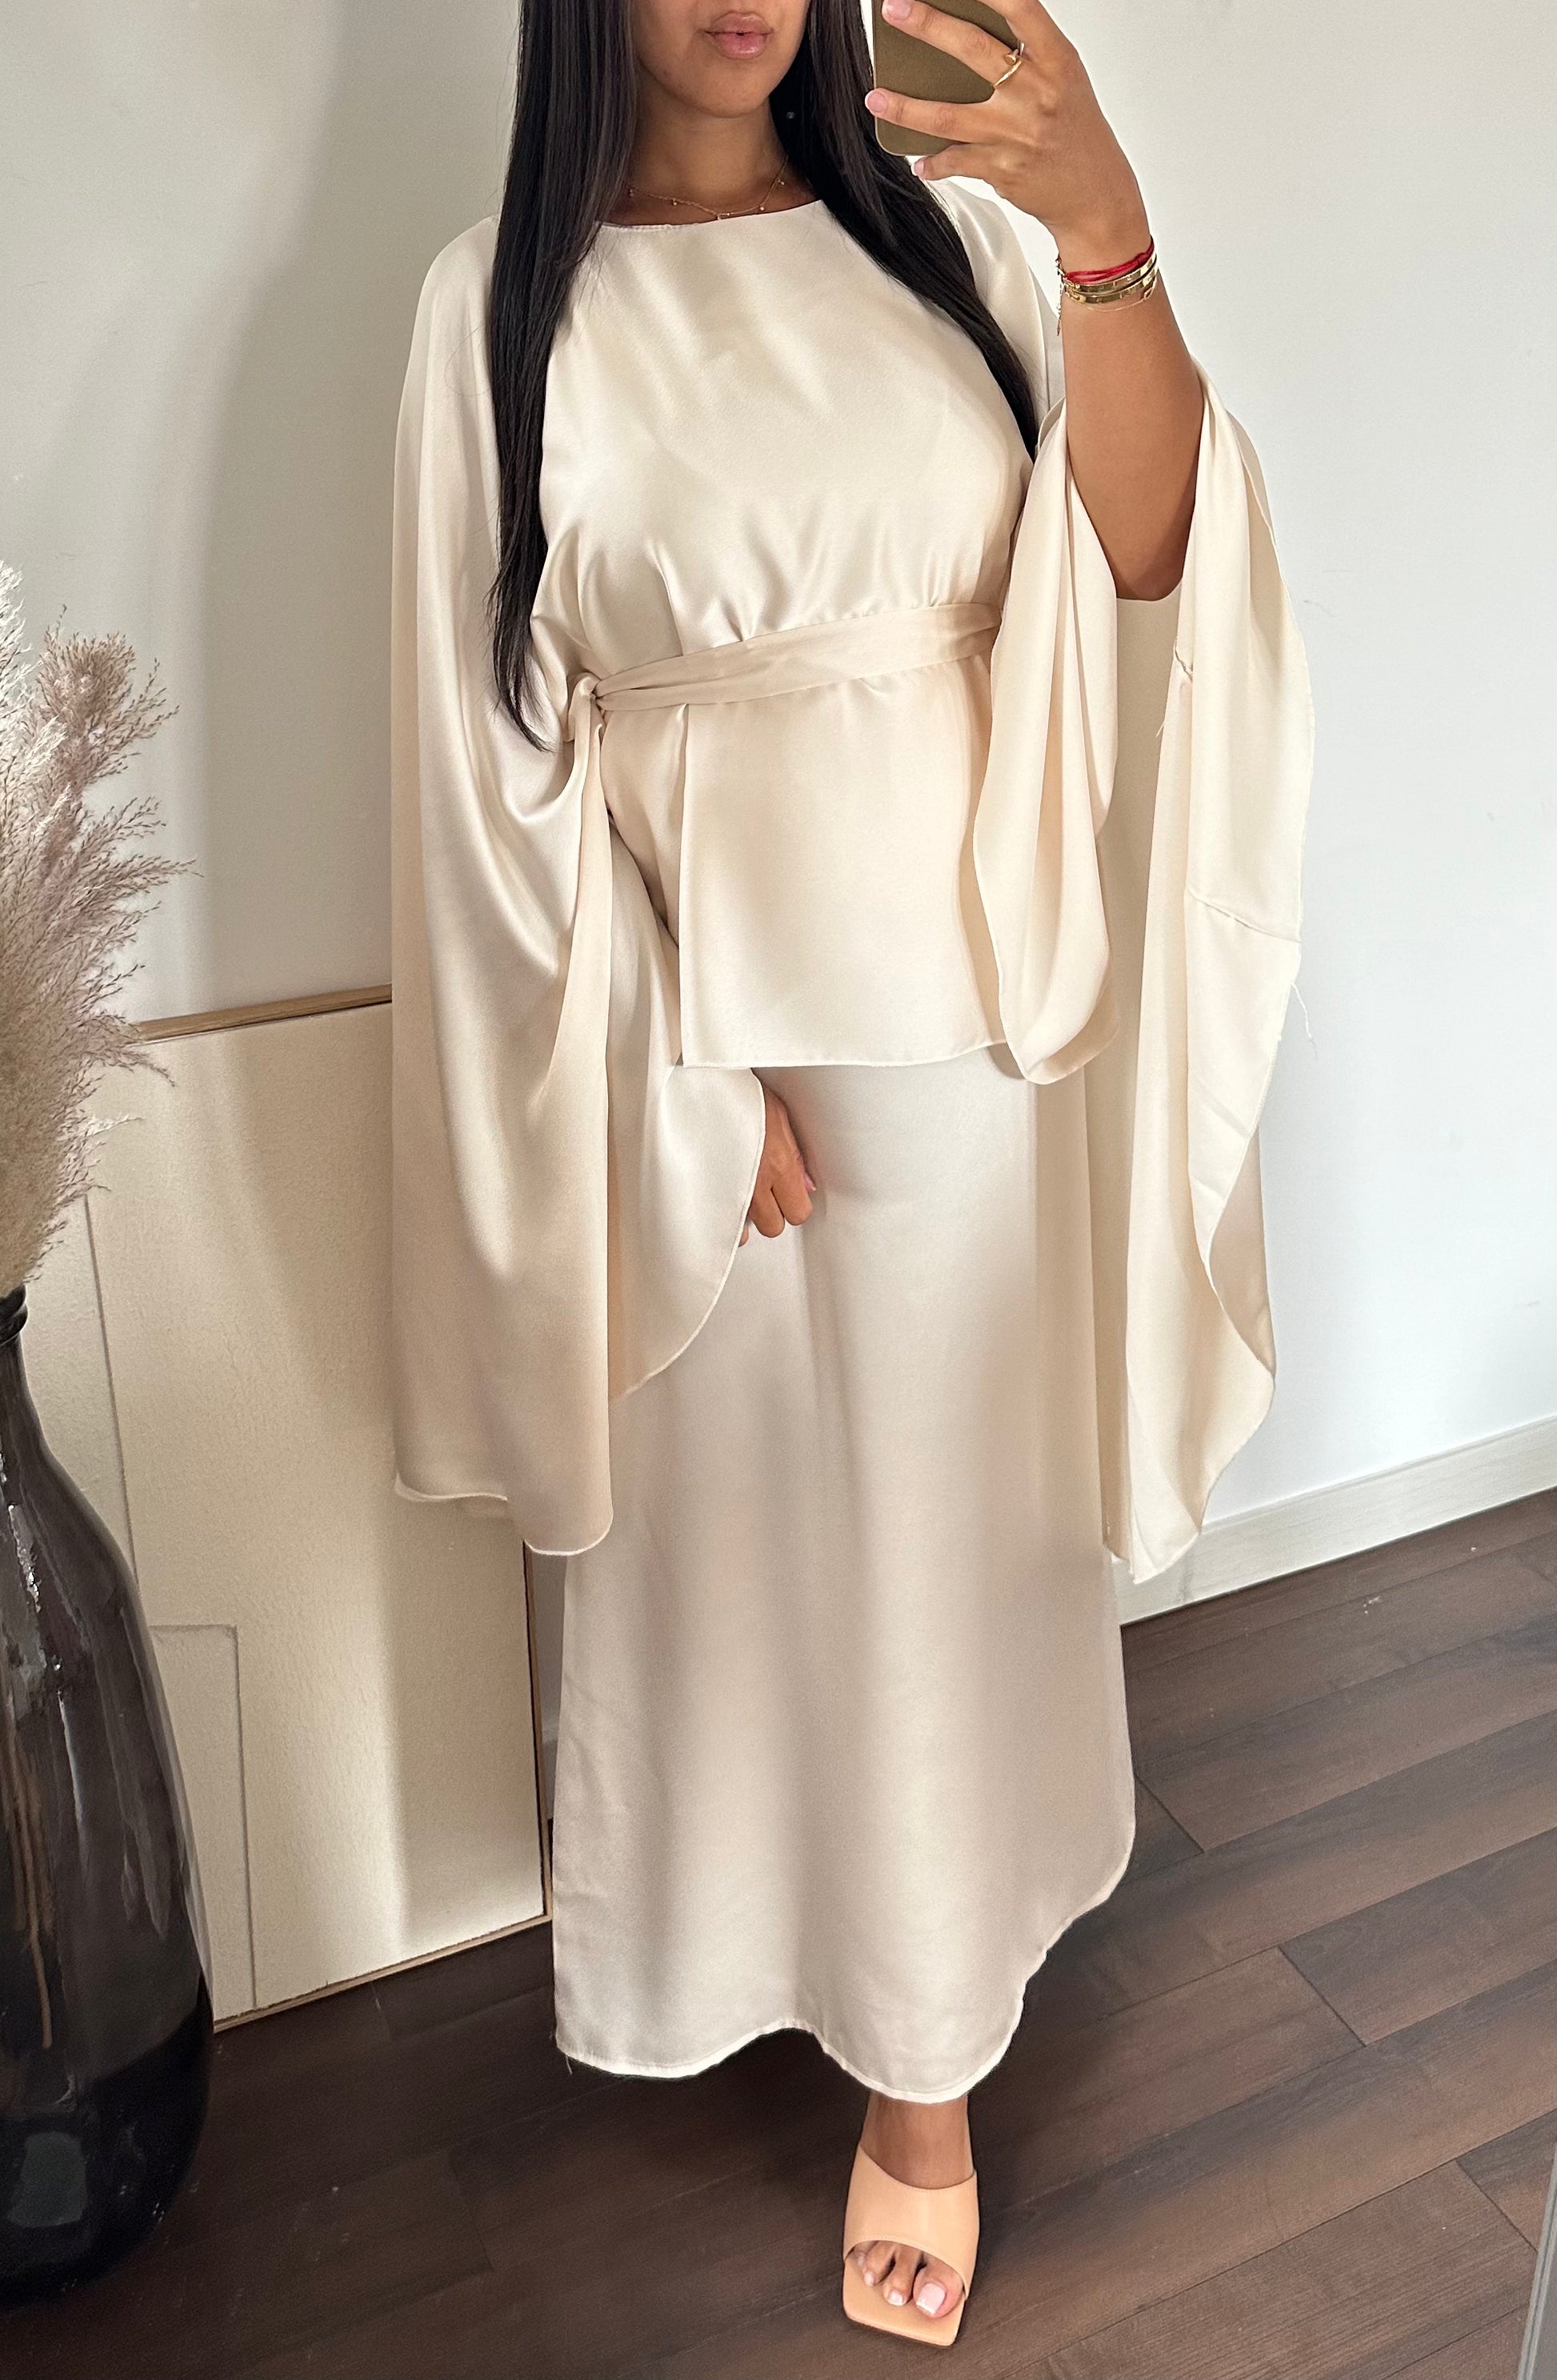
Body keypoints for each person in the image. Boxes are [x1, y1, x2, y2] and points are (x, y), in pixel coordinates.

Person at [389, 0, 1313, 2346]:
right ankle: (740, 1957)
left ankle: (925, 2083)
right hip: (702, 1059)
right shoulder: (493, 308)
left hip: (981, 1027)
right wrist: (662, 1082)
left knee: (948, 1560)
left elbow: (1147, 567)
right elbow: (484, 755)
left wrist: (1104, 239)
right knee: (735, 1567)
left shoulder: (951, 247)